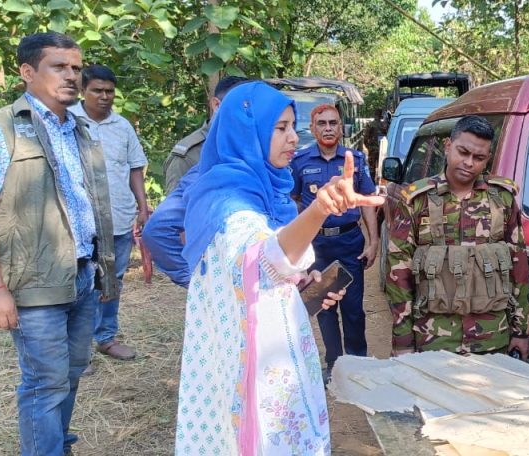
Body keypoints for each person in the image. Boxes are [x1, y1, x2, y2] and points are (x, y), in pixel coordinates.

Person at [175, 81, 383, 454]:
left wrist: (301, 285)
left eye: (292, 126)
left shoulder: (267, 189)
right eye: (280, 127)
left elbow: (269, 269)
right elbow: (264, 257)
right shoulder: (227, 199)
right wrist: (321, 208)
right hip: (250, 359)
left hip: (274, 342)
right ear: (247, 132)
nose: (293, 137)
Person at [0, 32, 119, 456]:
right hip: (34, 283)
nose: (72, 76)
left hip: (82, 274)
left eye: (76, 68)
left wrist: (103, 269)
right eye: (59, 67)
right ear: (27, 71)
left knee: (71, 372)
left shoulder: (79, 129)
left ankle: (56, 445)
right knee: (45, 382)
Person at [386, 115, 529, 358]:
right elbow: (398, 275)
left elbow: (519, 268)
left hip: (492, 340)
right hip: (432, 340)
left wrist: (521, 332)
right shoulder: (417, 201)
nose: (469, 163)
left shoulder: (502, 200)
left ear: (487, 159)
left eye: (479, 158)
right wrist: (402, 341)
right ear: (448, 146)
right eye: (463, 152)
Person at [289, 104, 378, 372]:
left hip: (349, 243)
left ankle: (357, 363)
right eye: (322, 123)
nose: (328, 128)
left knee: (353, 308)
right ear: (312, 128)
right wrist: (298, 243)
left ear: (341, 127)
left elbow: (367, 202)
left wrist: (373, 241)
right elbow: (294, 202)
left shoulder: (355, 160)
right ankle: (334, 365)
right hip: (317, 247)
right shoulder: (300, 161)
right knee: (324, 308)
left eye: (333, 123)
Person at [70, 64, 150, 362]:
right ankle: (78, 351)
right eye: (97, 91)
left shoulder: (122, 126)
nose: (104, 97)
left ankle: (105, 337)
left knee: (112, 280)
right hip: (81, 223)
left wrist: (142, 206)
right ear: (83, 91)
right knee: (81, 283)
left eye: (109, 91)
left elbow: (135, 168)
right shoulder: (68, 121)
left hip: (118, 218)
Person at [143, 77, 250, 286]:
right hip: (211, 272)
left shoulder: (252, 153)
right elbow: (174, 225)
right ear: (217, 105)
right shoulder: (189, 155)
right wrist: (196, 281)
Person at [162, 75, 248, 191]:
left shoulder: (253, 145)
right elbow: (176, 201)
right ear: (217, 105)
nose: (249, 113)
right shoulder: (188, 156)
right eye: (243, 106)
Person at [361, 108, 386, 178]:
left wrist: (369, 147)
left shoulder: (370, 124)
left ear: (375, 115)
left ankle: (372, 182)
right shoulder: (384, 126)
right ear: (381, 115)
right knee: (382, 167)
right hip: (382, 150)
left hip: (373, 149)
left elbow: (365, 138)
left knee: (372, 168)